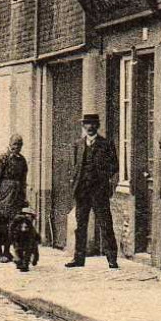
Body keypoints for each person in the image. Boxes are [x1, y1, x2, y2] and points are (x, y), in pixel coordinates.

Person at [66, 113, 119, 269]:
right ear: (83, 126)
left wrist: (103, 178)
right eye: (87, 123)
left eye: (93, 123)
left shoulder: (106, 144)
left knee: (105, 224)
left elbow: (114, 166)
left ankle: (112, 258)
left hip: (99, 191)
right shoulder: (78, 144)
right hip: (82, 191)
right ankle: (78, 258)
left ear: (97, 126)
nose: (90, 126)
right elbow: (74, 167)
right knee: (80, 225)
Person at [0, 135, 28, 262]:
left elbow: (23, 180)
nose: (17, 147)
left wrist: (23, 196)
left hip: (16, 196)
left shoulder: (22, 161)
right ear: (10, 144)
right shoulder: (2, 159)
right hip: (3, 195)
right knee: (1, 223)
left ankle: (7, 251)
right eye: (15, 144)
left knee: (13, 224)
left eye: (19, 145)